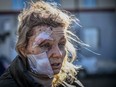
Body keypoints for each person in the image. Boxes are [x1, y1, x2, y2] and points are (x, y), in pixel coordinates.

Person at [0, 1, 84, 87]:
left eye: (61, 44)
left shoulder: (74, 84)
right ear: (23, 50)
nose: (58, 54)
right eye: (45, 45)